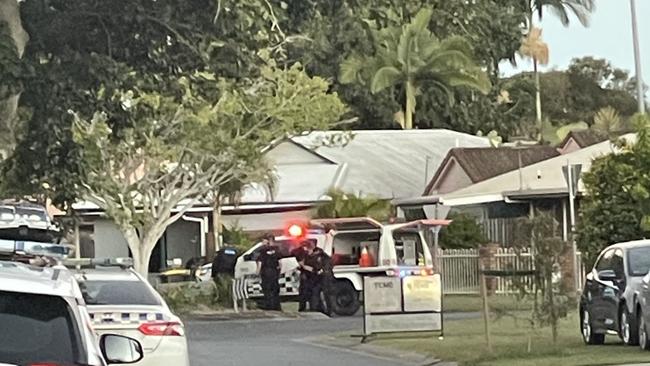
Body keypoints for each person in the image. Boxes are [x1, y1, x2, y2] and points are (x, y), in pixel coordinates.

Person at [256, 233, 282, 311]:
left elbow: (260, 263)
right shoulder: (277, 249)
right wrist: (279, 272)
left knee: (267, 289)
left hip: (266, 272)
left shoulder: (263, 250)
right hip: (274, 272)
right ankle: (276, 306)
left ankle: (269, 306)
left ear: (267, 241)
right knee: (275, 289)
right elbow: (280, 263)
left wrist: (257, 272)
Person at [312, 246, 335, 317]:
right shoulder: (320, 258)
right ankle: (320, 308)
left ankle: (329, 311)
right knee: (317, 293)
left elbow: (327, 267)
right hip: (322, 279)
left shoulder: (325, 258)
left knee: (327, 295)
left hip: (326, 279)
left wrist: (321, 271)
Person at [290, 241, 313, 312]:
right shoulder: (301, 252)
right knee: (306, 292)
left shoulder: (300, 252)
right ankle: (306, 307)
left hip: (307, 274)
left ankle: (304, 307)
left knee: (305, 292)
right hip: (305, 274)